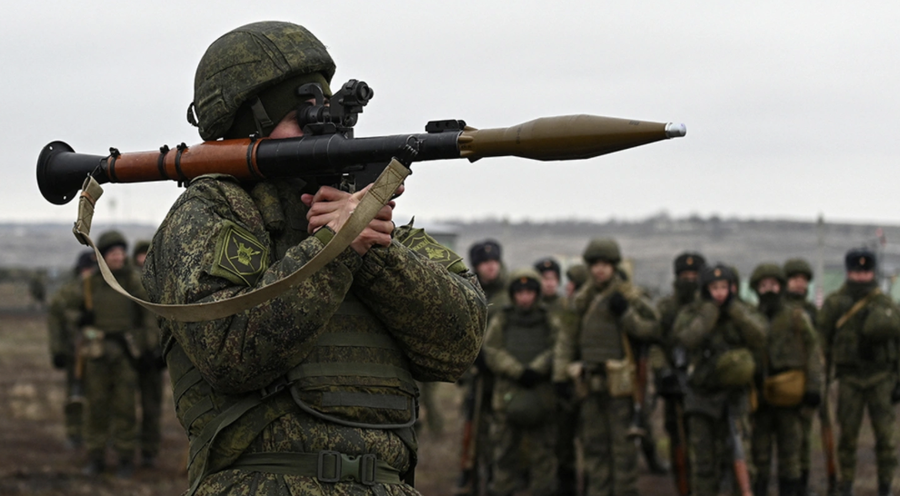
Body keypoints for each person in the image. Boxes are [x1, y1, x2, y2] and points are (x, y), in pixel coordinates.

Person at [141, 21, 487, 496]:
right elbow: (230, 350)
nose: (325, 127)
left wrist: (371, 248)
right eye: (300, 115)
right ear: (249, 126)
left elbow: (459, 343)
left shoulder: (377, 229)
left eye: (325, 111)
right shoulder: (214, 212)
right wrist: (335, 247)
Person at [554, 237, 660, 496]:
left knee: (623, 453)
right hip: (589, 386)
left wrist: (626, 314)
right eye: (595, 264)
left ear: (613, 266)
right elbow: (566, 339)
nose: (600, 269)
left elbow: (653, 330)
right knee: (595, 450)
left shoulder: (629, 296)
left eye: (605, 264)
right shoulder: (581, 300)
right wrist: (560, 376)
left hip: (622, 389)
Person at [673, 264, 767, 496]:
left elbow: (761, 335)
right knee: (704, 463)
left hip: (735, 396)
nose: (719, 292)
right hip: (701, 397)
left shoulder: (743, 310)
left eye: (724, 287)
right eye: (714, 287)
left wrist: (735, 311)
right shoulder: (692, 312)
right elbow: (686, 338)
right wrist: (708, 314)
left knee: (740, 456)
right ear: (705, 289)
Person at [818, 248, 900, 496]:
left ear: (873, 272)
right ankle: (847, 486)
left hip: (881, 378)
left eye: (865, 272)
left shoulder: (885, 304)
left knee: (886, 440)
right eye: (856, 271)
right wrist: (821, 381)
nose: (861, 277)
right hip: (849, 379)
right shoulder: (835, 303)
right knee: (847, 439)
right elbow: (822, 342)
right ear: (848, 272)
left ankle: (885, 487)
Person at [81, 231, 152, 478]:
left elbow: (148, 314)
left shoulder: (133, 281)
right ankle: (96, 456)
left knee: (126, 408)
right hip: (97, 353)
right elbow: (65, 310)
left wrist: (148, 347)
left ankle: (125, 458)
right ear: (101, 256)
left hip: (125, 354)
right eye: (113, 252)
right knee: (96, 407)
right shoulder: (90, 284)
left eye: (122, 251)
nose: (119, 256)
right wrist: (81, 320)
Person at [748, 263, 823, 496]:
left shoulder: (796, 317)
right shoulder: (749, 318)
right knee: (759, 456)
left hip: (790, 397)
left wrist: (813, 389)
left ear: (780, 286)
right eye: (763, 285)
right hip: (759, 399)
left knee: (791, 456)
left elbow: (812, 354)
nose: (768, 289)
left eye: (773, 284)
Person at [483, 268, 560, 496]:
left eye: (529, 291)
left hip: (541, 397)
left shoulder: (549, 319)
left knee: (543, 457)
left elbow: (559, 348)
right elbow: (492, 350)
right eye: (520, 292)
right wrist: (517, 371)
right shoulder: (503, 319)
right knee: (505, 455)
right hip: (508, 396)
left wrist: (538, 369)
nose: (524, 297)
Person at [654, 252, 706, 493]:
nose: (689, 280)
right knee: (678, 442)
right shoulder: (666, 308)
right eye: (684, 276)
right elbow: (655, 343)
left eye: (694, 275)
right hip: (674, 382)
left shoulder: (708, 308)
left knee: (704, 443)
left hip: (704, 384)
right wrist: (664, 371)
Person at [46, 250, 96, 450]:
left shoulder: (103, 291)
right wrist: (57, 351)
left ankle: (98, 434)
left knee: (99, 395)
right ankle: (74, 433)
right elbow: (56, 324)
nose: (88, 273)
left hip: (97, 353)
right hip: (72, 353)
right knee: (74, 394)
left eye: (92, 269)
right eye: (85, 269)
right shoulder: (66, 293)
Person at [782, 257, 818, 495]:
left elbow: (818, 347)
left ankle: (802, 485)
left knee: (805, 437)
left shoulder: (813, 311)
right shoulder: (780, 310)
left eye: (803, 281)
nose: (799, 285)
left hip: (808, 381)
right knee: (788, 438)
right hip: (785, 382)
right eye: (794, 280)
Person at [132, 240, 165, 467]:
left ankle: (149, 452)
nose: (143, 259)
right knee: (123, 406)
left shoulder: (164, 282)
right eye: (140, 255)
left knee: (152, 407)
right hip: (131, 354)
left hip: (156, 356)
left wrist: (161, 351)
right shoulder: (126, 283)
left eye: (147, 255)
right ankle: (123, 450)